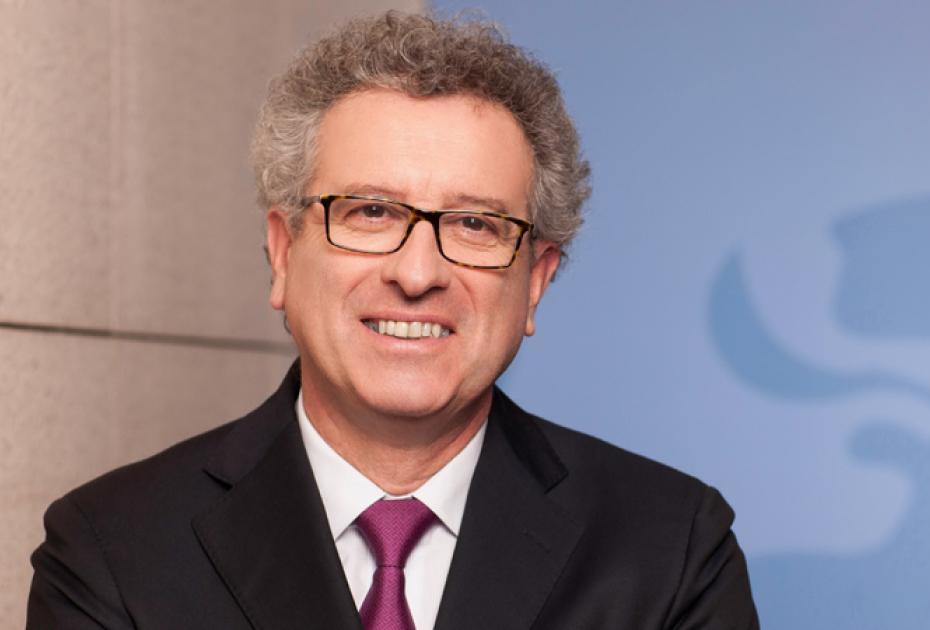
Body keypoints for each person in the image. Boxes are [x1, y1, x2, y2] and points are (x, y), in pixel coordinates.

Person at [27, 11, 758, 630]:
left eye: (475, 224)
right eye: (371, 212)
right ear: (283, 253)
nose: (416, 274)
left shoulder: (673, 552)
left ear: (535, 281)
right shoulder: (111, 552)